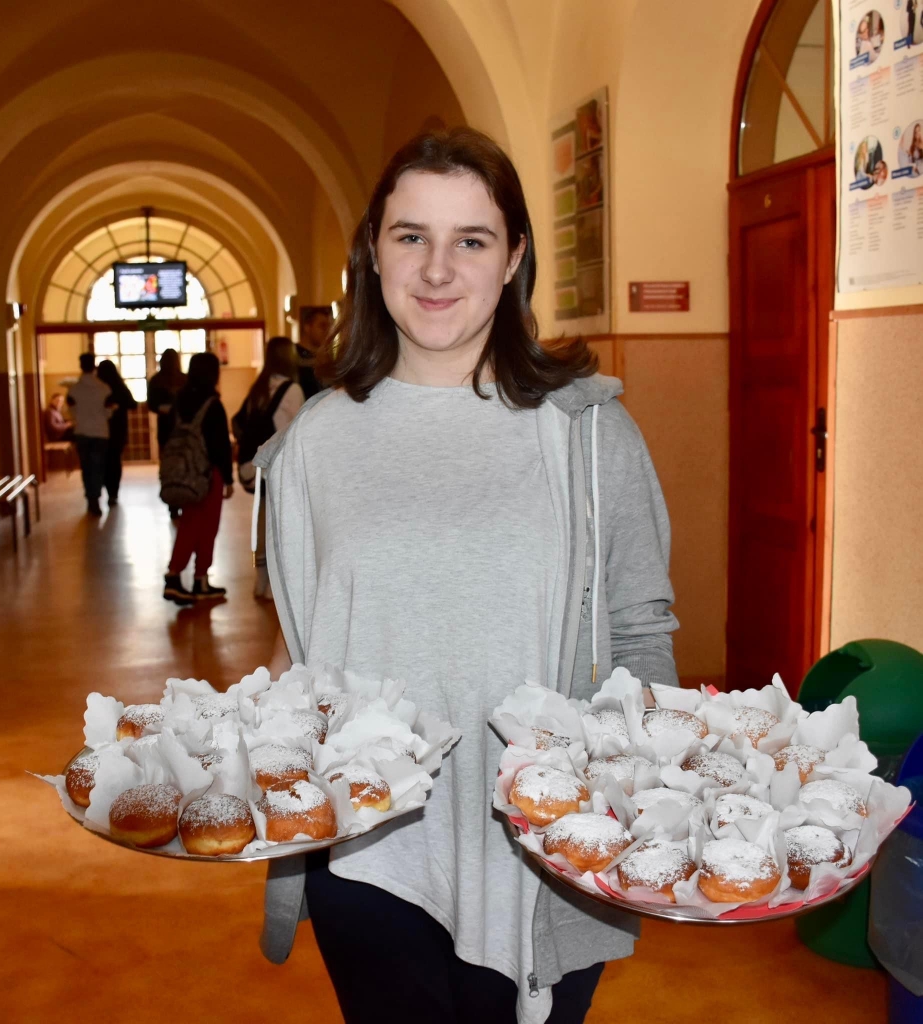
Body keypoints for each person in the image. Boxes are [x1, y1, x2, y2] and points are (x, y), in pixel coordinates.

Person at [253, 128, 678, 1024]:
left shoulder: (590, 435)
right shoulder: (311, 447)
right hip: (369, 853)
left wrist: (651, 801)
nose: (437, 269)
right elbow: (307, 656)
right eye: (411, 236)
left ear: (514, 256)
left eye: (471, 240)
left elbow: (639, 632)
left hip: (547, 853)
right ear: (374, 252)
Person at [232, 336, 305, 599]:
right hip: (281, 467)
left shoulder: (259, 387)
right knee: (280, 524)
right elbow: (299, 429)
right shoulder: (292, 389)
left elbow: (239, 421)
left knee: (262, 521)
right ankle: (275, 586)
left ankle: (260, 580)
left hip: (257, 465)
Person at [163, 352, 234, 604]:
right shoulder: (213, 404)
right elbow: (220, 446)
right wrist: (228, 478)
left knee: (189, 524)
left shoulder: (179, 401)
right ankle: (195, 579)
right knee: (206, 527)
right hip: (207, 474)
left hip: (184, 473)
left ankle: (178, 577)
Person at [65, 352, 111, 516]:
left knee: (86, 468)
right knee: (98, 468)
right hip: (100, 433)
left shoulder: (74, 390)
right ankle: (96, 499)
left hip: (82, 432)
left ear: (81, 366)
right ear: (94, 366)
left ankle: (90, 499)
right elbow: (108, 412)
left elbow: (71, 411)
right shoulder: (104, 388)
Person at [147, 349, 188, 517]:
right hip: (182, 428)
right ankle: (183, 497)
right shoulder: (185, 380)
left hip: (167, 427)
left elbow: (151, 404)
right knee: (184, 464)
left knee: (169, 465)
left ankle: (172, 500)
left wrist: (163, 408)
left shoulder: (156, 380)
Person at [96, 359, 137, 506]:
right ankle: (113, 493)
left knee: (101, 461)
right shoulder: (120, 387)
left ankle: (100, 491)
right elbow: (133, 404)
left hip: (98, 430)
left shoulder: (97, 388)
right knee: (114, 461)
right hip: (118, 430)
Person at [295, 308, 332, 399]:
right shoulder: (293, 354)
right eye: (322, 326)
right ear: (307, 327)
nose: (326, 330)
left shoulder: (326, 356)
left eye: (328, 326)